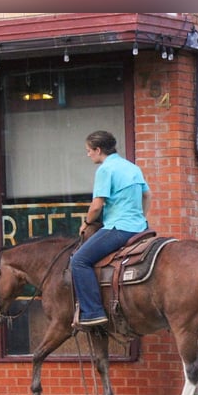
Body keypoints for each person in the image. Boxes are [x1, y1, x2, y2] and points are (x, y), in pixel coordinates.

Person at [71, 130, 151, 327]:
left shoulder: (106, 170)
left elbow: (97, 206)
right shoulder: (132, 167)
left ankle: (93, 312)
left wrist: (87, 223)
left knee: (79, 260)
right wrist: (140, 218)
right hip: (140, 228)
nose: (88, 155)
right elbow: (147, 196)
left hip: (118, 228)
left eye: (89, 151)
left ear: (98, 150)